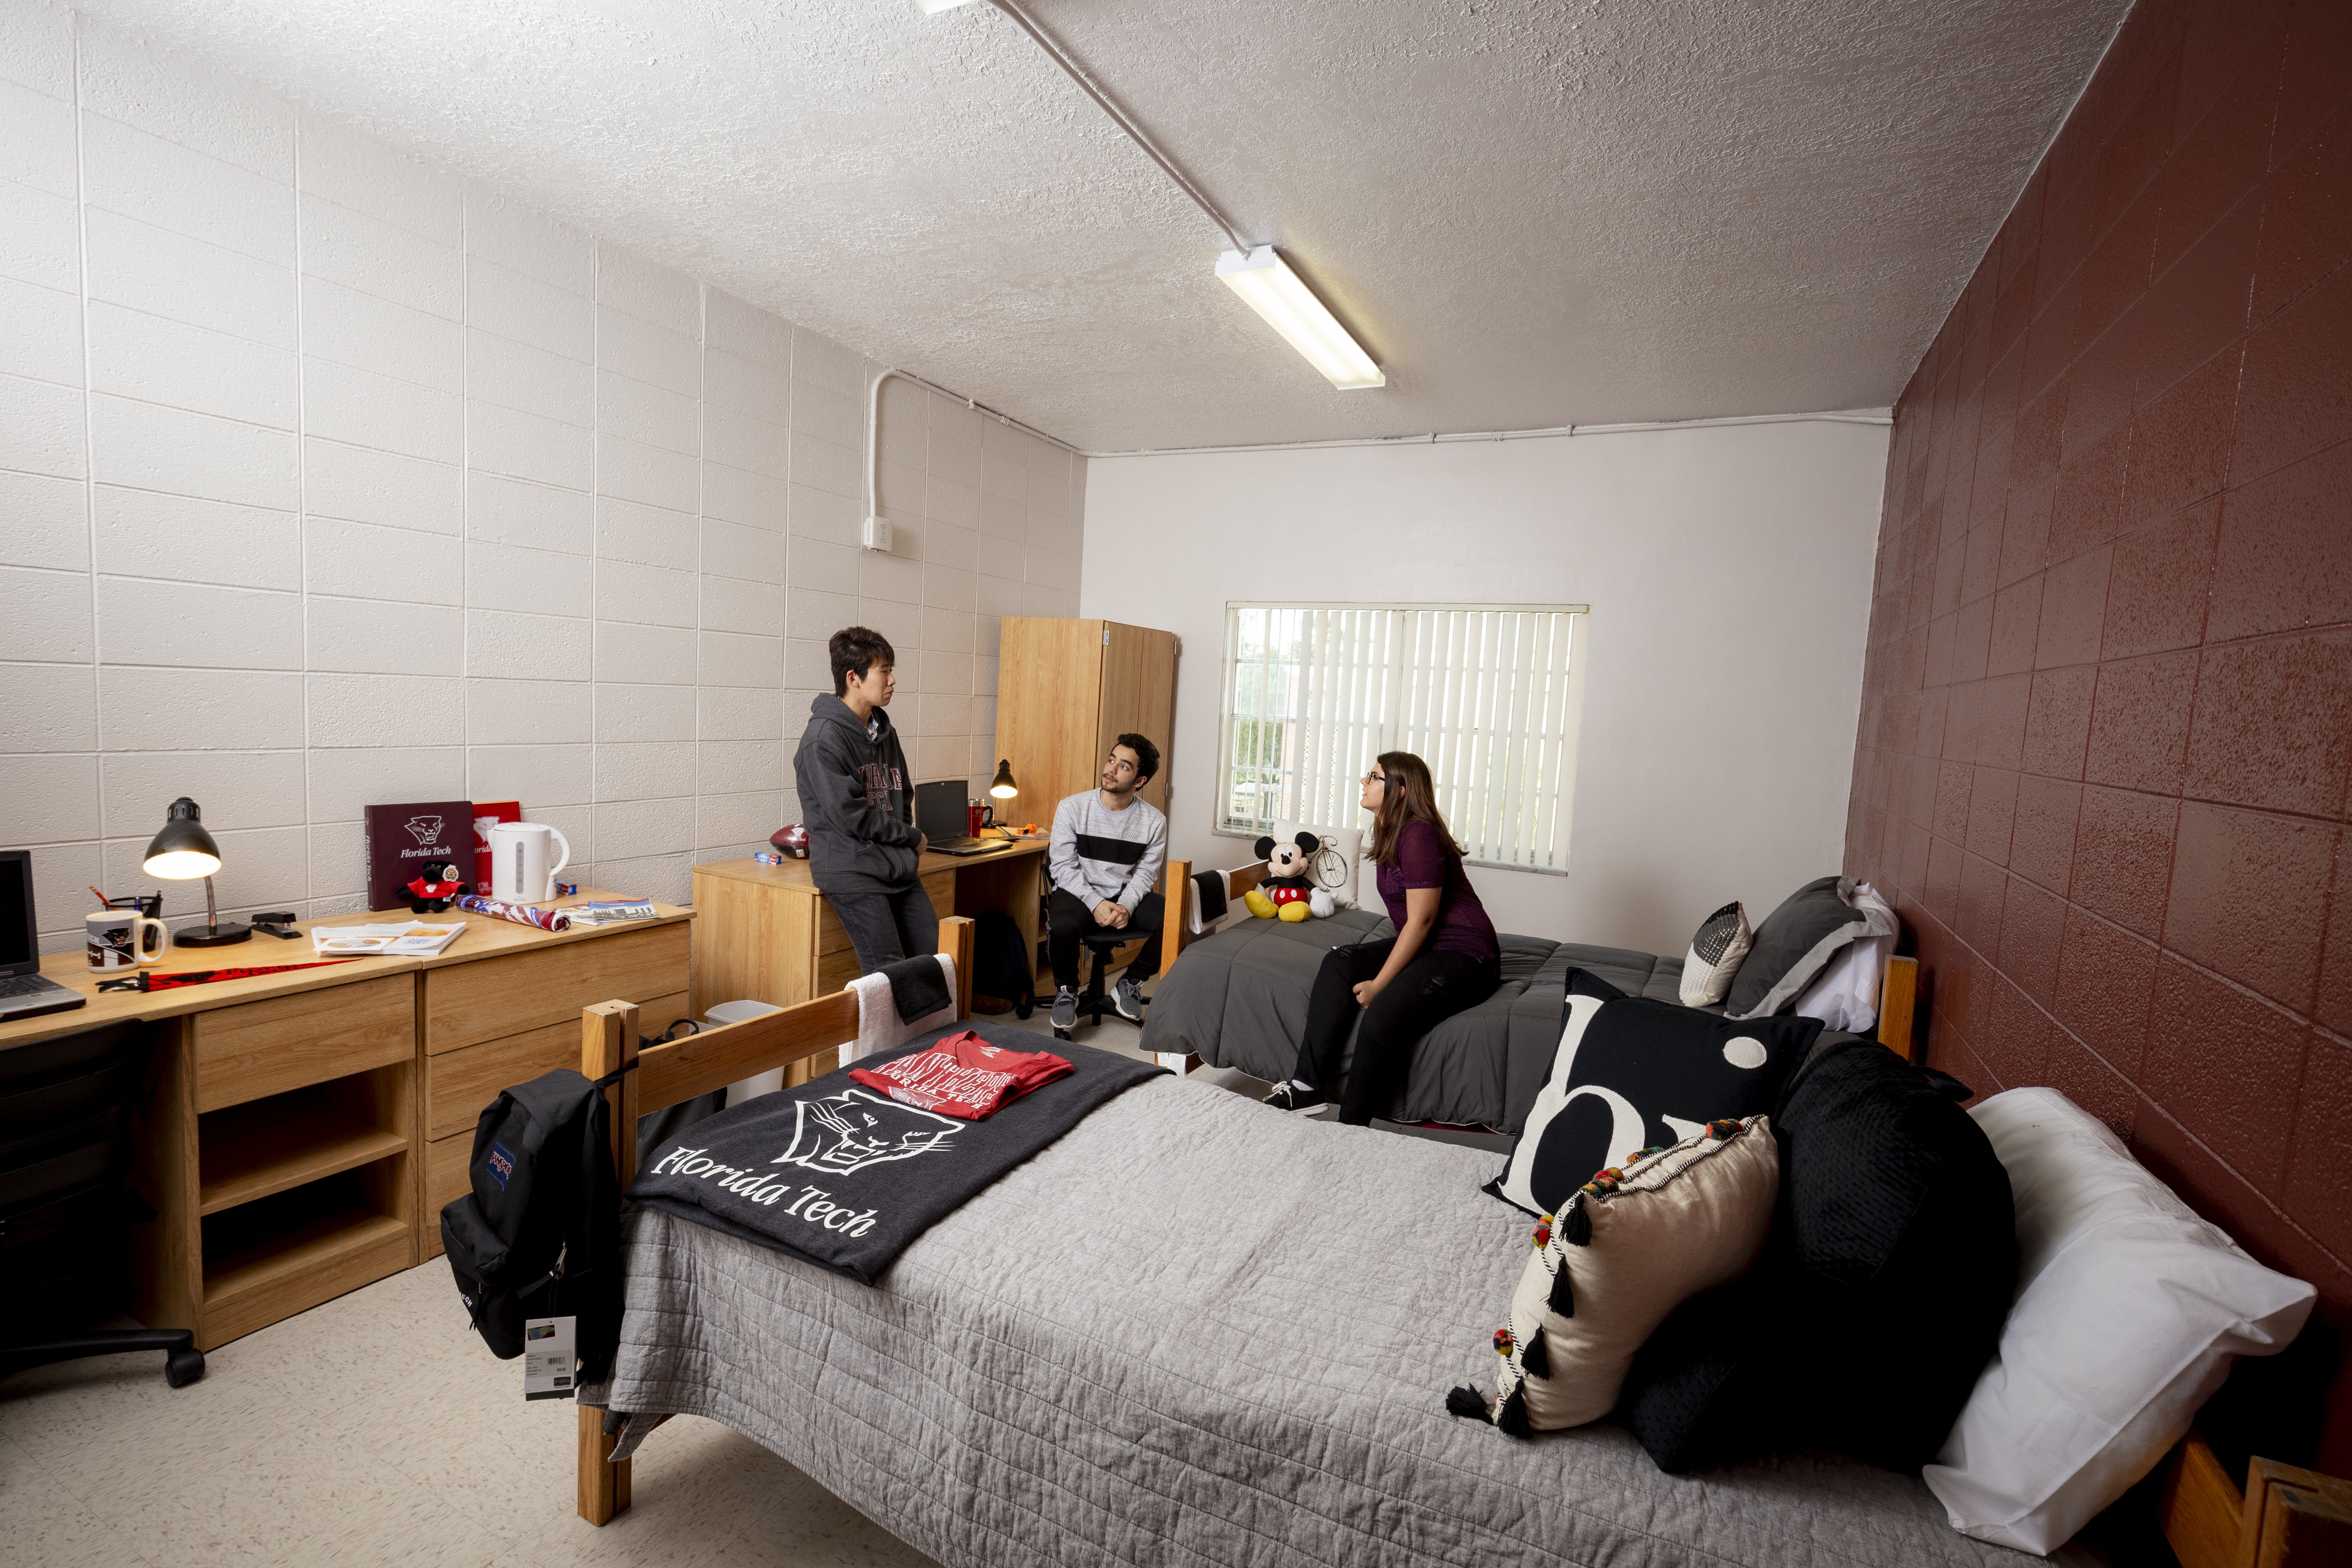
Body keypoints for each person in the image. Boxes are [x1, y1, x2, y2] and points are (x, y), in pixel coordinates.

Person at [1264, 751, 1501, 1123]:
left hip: (1465, 953)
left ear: (1401, 790)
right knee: (1339, 963)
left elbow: (1421, 921)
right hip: (1430, 944)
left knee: (1383, 1016)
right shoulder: (1393, 830)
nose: (1364, 782)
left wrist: (1379, 984)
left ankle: (1351, 1128)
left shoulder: (1419, 833)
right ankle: (1307, 1089)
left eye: (1374, 777)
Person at [792, 626, 937, 974]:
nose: (892, 680)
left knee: (934, 957)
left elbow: (902, 793)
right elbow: (853, 817)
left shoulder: (884, 730)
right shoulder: (823, 739)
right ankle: (898, 1032)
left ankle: (934, 1031)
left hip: (896, 867)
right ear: (853, 678)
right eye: (884, 671)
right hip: (852, 870)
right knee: (887, 972)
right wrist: (912, 838)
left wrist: (903, 841)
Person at [1044, 734, 1168, 1031]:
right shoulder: (1072, 808)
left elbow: (1145, 875)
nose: (1111, 769)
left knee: (1176, 917)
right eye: (1111, 759)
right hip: (1078, 893)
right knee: (1061, 923)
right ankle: (1066, 991)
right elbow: (1062, 866)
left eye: (1124, 766)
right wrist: (1097, 903)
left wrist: (1125, 905)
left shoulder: (1154, 821)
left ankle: (1131, 982)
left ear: (1140, 781)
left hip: (1125, 895)